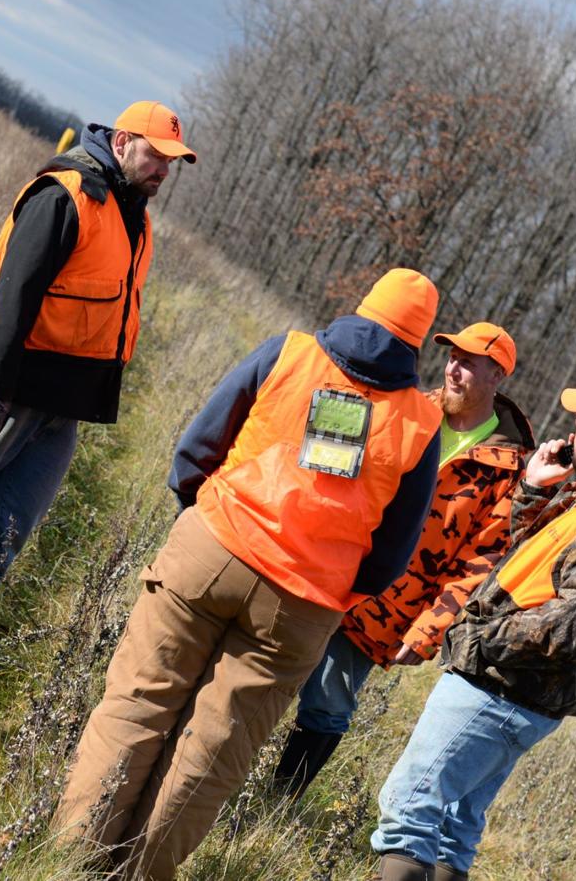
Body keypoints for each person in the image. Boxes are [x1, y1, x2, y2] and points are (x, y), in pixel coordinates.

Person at [54, 269, 444, 880]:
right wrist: (333, 587)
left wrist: (203, 522)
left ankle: (65, 863)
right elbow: (394, 552)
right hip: (302, 605)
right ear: (419, 343)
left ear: (362, 306)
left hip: (212, 547)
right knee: (211, 754)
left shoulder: (289, 352)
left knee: (136, 705)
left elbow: (199, 446)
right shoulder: (420, 423)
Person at [369, 375, 576, 881]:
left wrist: (479, 636)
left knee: (408, 808)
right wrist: (533, 487)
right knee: (454, 826)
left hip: (501, 685)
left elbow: (574, 626)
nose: (570, 434)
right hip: (513, 687)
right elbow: (532, 562)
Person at [0, 101, 195, 609]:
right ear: (123, 143)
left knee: (12, 524)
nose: (164, 170)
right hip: (11, 389)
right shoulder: (64, 195)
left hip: (64, 405)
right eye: (156, 156)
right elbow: (12, 298)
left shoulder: (131, 214)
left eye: (172, 161)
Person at [275, 322, 534, 798]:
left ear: (497, 375)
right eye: (452, 358)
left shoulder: (508, 470)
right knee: (268, 667)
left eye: (468, 363)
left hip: (386, 605)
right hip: (328, 565)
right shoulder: (413, 408)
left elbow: (478, 563)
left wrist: (427, 629)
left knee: (328, 701)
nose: (453, 370)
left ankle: (276, 803)